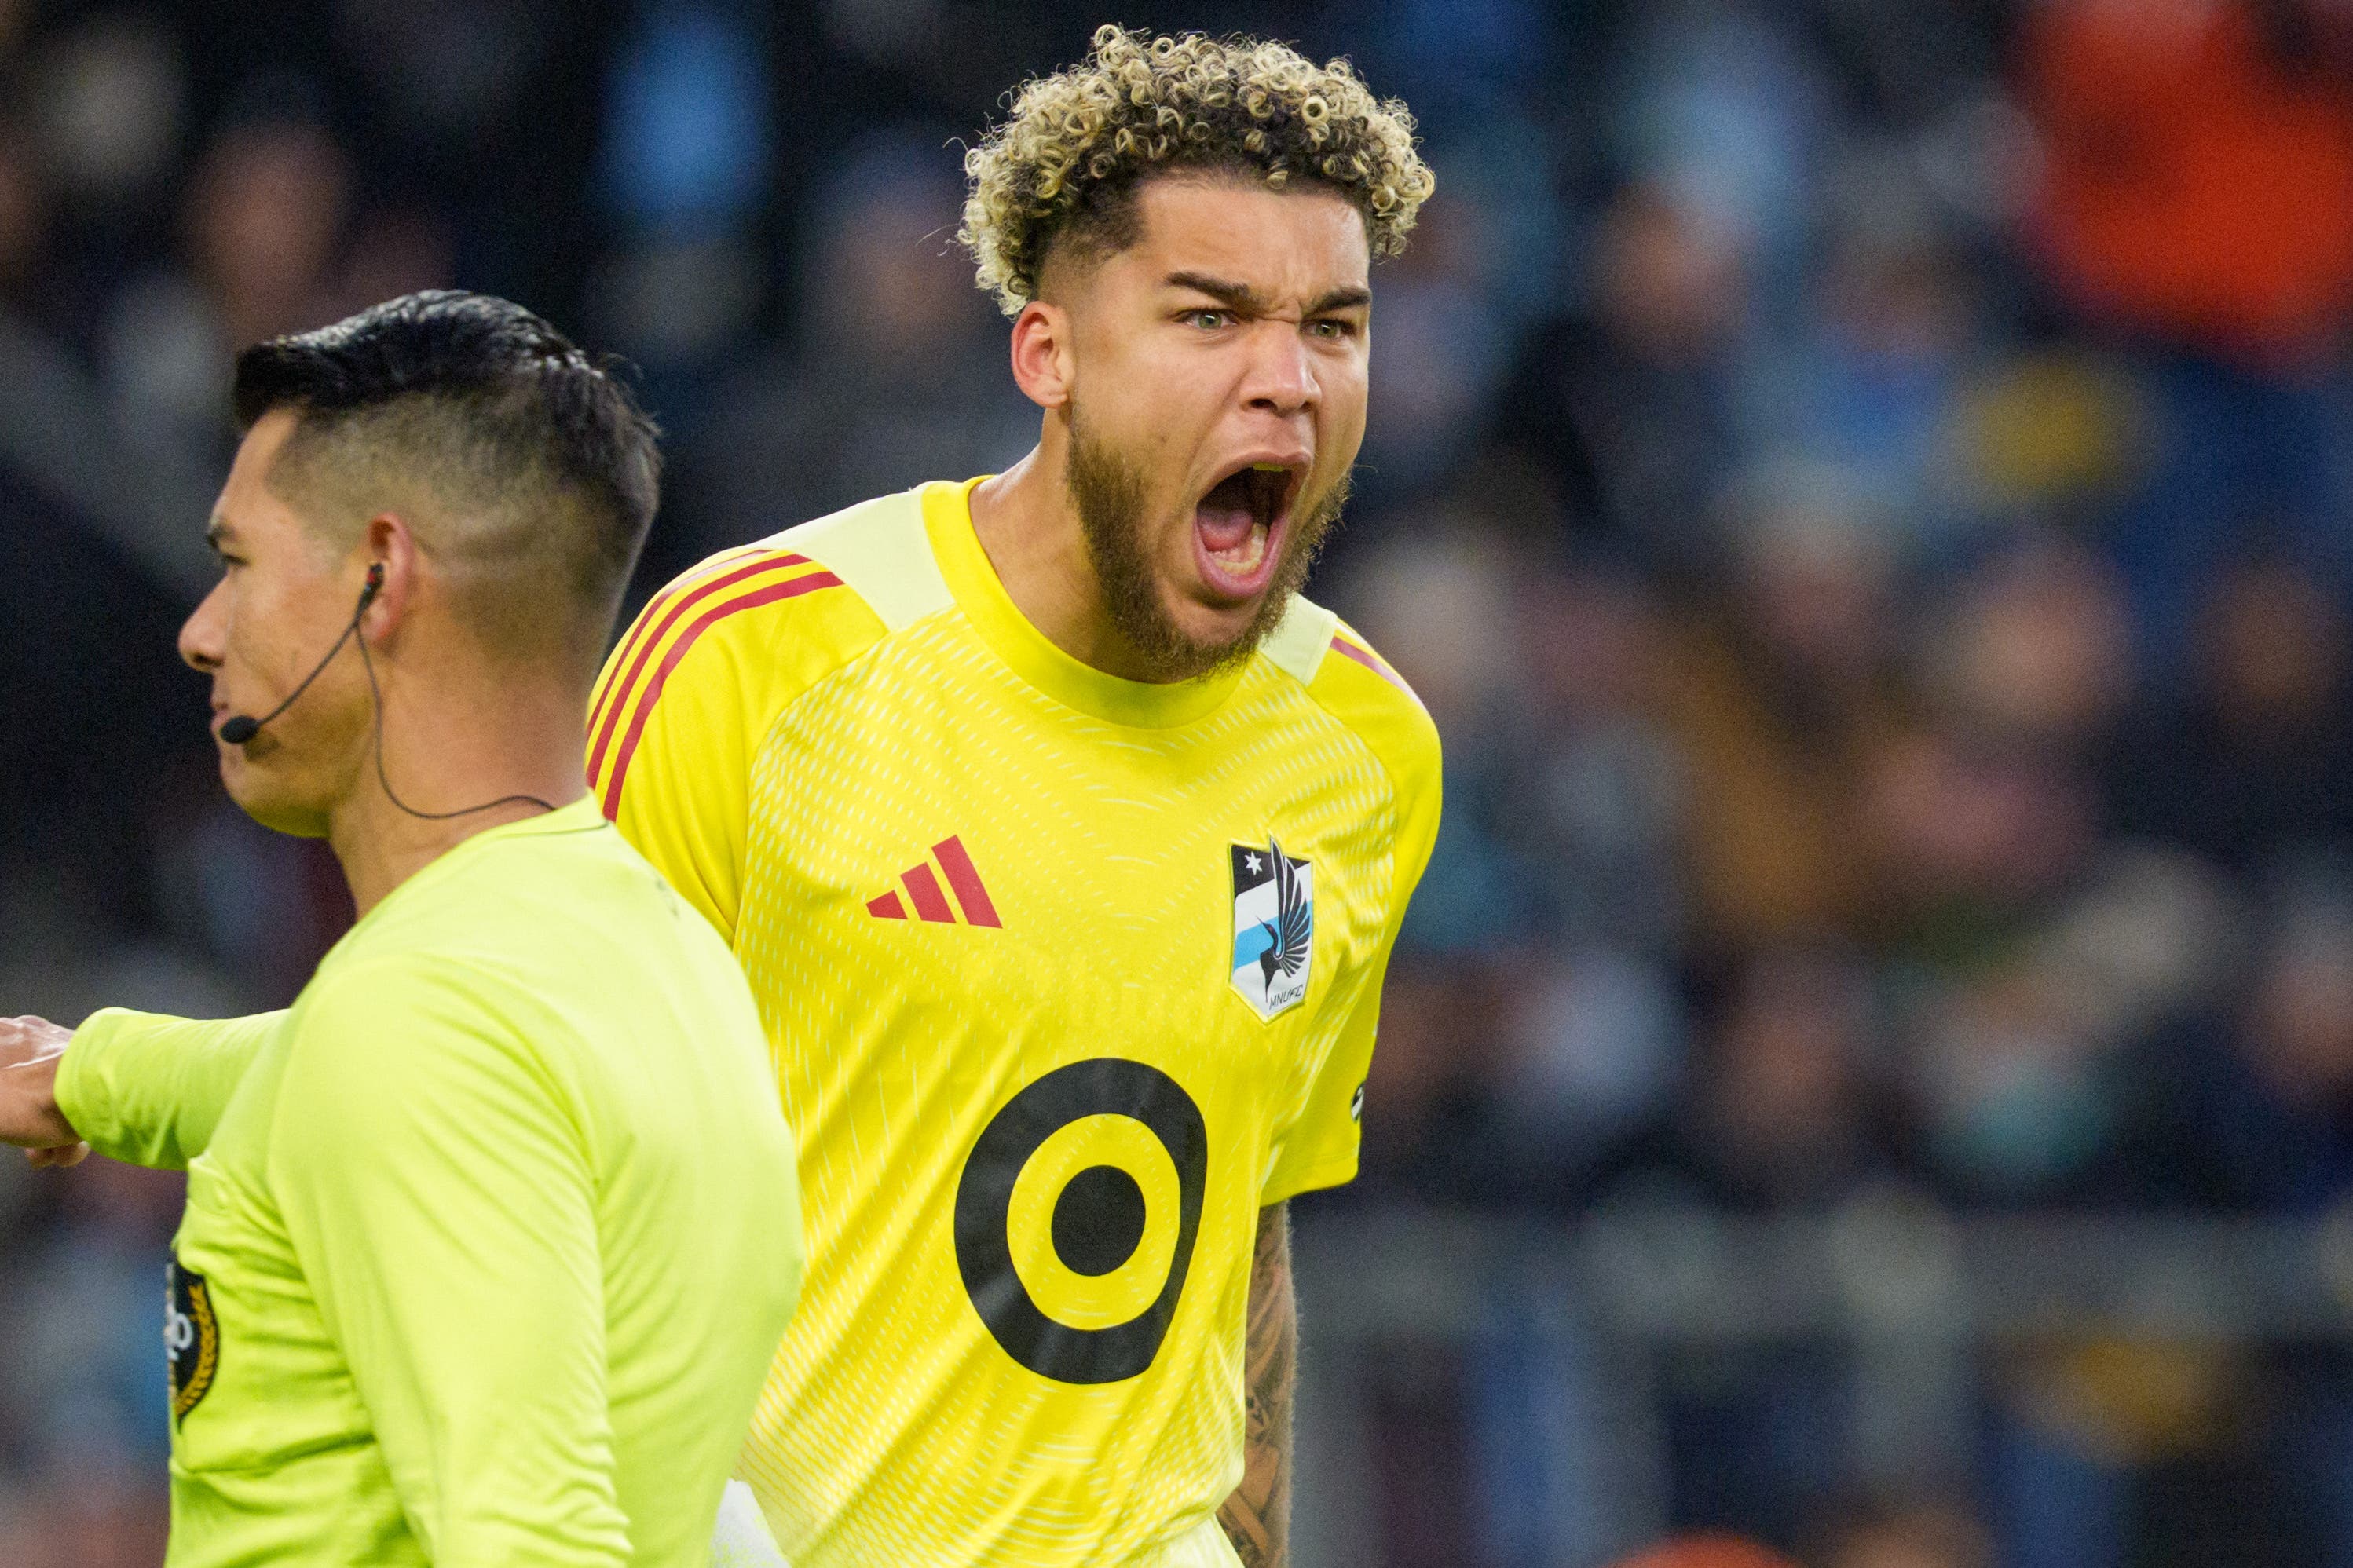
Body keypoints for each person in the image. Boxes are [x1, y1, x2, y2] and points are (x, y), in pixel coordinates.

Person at [17, 26, 1442, 1568]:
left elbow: (1246, 1236)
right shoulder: (756, 660)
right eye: (1209, 317)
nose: (1286, 383)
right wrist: (117, 1075)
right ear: (1049, 354)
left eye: (1333, 327)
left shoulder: (1365, 749)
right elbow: (478, 1062)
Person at [0, 291, 803, 1567]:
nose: (199, 631)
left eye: (237, 564)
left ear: (380, 576)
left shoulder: (414, 1027)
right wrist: (89, 1070)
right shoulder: (664, 956)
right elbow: (391, 1075)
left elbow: (535, 1547)